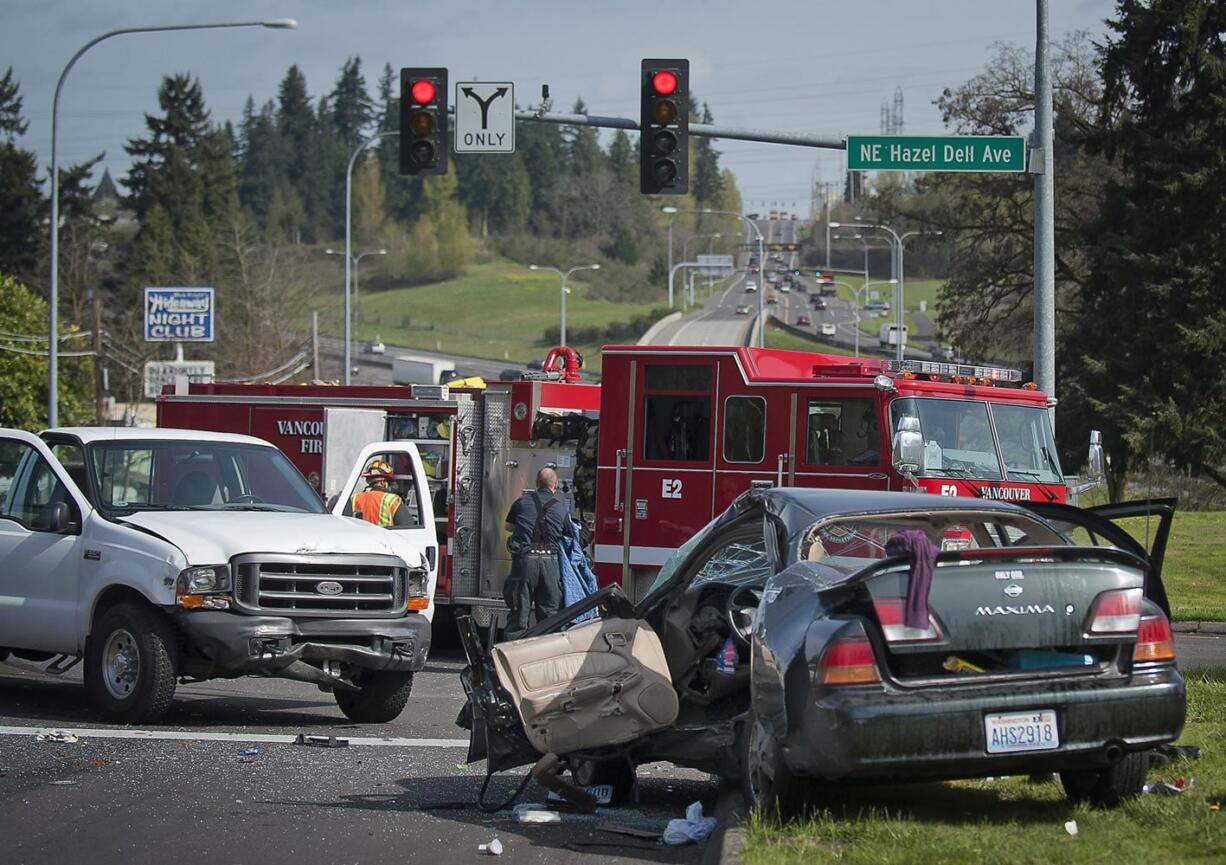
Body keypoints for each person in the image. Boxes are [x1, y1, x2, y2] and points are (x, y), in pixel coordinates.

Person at [502, 467, 570, 640]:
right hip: (550, 563)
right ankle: (544, 659)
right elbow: (569, 534)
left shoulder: (521, 502)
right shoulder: (561, 509)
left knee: (519, 614)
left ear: (536, 484)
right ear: (554, 485)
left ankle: (513, 660)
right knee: (549, 615)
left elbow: (508, 527)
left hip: (525, 562)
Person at [350, 459, 411, 527]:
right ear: (383, 482)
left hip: (361, 537)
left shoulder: (355, 498)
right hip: (384, 537)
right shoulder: (392, 500)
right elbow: (408, 526)